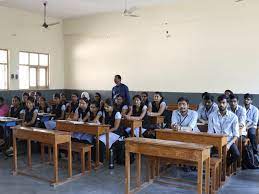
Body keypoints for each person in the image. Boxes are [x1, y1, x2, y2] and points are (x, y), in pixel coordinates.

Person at [208, 95, 240, 167]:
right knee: (206, 152)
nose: (221, 105)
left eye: (223, 103)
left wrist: (228, 145)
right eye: (220, 103)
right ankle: (212, 167)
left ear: (227, 104)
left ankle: (224, 166)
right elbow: (210, 132)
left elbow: (236, 135)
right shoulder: (212, 116)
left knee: (236, 154)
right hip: (215, 140)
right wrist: (214, 143)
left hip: (228, 141)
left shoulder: (234, 117)